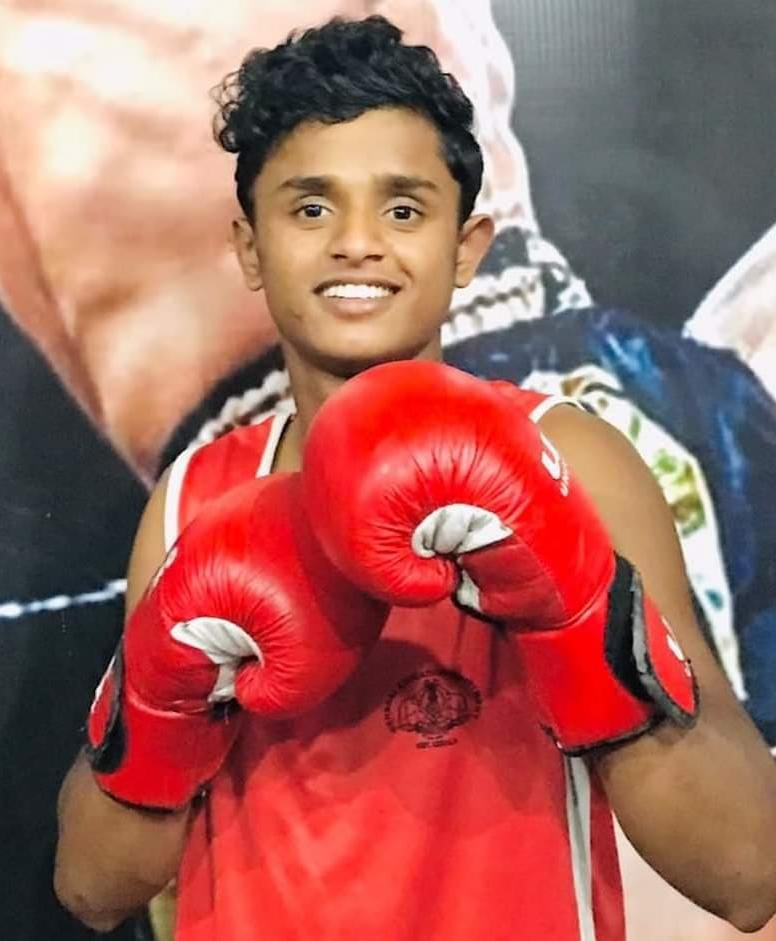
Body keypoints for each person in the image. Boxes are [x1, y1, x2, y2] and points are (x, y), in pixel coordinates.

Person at [53, 15, 776, 940]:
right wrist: (160, 704)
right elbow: (93, 886)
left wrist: (582, 616)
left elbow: (747, 873)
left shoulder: (573, 457)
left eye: (402, 209)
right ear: (249, 247)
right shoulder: (194, 499)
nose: (357, 242)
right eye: (311, 208)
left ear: (466, 247)